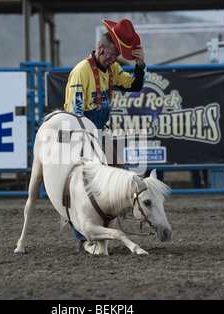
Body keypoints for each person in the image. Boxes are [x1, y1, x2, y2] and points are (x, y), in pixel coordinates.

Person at [63, 19, 146, 251]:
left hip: (99, 132)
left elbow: (134, 86)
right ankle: (83, 236)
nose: (112, 60)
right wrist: (88, 145)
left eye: (115, 57)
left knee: (121, 173)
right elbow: (76, 114)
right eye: (110, 55)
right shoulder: (81, 71)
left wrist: (139, 65)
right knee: (86, 183)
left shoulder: (112, 70)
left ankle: (106, 223)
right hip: (81, 132)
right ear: (100, 48)